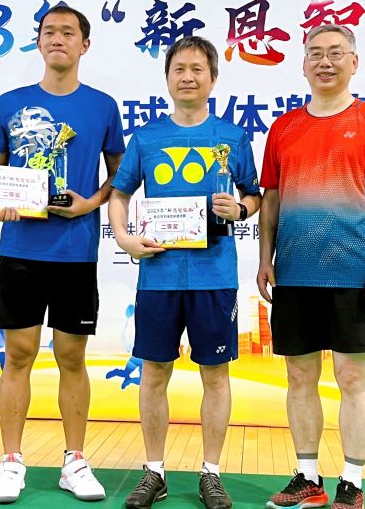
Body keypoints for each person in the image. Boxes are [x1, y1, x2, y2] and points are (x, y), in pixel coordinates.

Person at [109, 36, 262, 509]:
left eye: (198, 69)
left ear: (213, 78)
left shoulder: (233, 137)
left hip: (216, 277)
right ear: (167, 79)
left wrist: (240, 209)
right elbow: (119, 194)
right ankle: (154, 471)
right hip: (159, 276)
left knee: (215, 375)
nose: (188, 77)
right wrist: (124, 238)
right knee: (154, 372)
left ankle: (211, 472)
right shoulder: (147, 138)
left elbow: (255, 194)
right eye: (179, 69)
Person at [257, 24, 365, 509]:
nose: (325, 62)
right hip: (294, 274)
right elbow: (272, 200)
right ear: (303, 65)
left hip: (354, 274)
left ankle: (352, 482)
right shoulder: (283, 128)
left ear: (354, 63)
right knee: (300, 378)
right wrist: (265, 259)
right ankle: (307, 477)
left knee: (353, 379)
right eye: (315, 53)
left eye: (336, 53)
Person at [0, 5, 125, 503]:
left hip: (76, 252)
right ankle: (11, 461)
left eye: (68, 32)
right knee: (17, 355)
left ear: (85, 45)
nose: (57, 39)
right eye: (49, 31)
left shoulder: (103, 107)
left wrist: (90, 203)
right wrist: (2, 204)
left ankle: (75, 460)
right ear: (38, 41)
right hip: (20, 250)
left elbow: (120, 175)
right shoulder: (8, 104)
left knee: (71, 356)